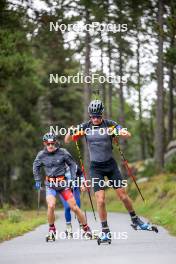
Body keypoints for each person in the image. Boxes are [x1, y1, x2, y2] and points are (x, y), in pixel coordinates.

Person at [65, 99, 149, 241]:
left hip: (110, 166)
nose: (96, 119)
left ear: (102, 115)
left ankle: (135, 220)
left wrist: (117, 131)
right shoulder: (85, 127)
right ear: (90, 116)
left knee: (123, 196)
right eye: (93, 116)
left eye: (98, 116)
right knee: (101, 200)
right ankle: (105, 231)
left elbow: (127, 134)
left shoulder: (109, 124)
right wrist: (70, 131)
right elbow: (68, 139)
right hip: (96, 168)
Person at [33, 132, 91, 241]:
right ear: (44, 144)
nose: (50, 145)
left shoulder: (63, 152)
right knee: (51, 206)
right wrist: (37, 180)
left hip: (63, 184)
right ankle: (52, 230)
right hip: (50, 185)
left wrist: (74, 177)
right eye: (48, 143)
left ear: (55, 142)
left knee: (74, 208)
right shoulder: (41, 155)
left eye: (52, 143)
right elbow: (35, 166)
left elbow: (73, 165)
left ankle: (86, 229)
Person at [59, 165, 83, 238]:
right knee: (67, 207)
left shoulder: (74, 166)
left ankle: (82, 226)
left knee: (77, 207)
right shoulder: (57, 167)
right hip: (63, 189)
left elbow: (81, 174)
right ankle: (69, 228)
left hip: (74, 189)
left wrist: (82, 184)